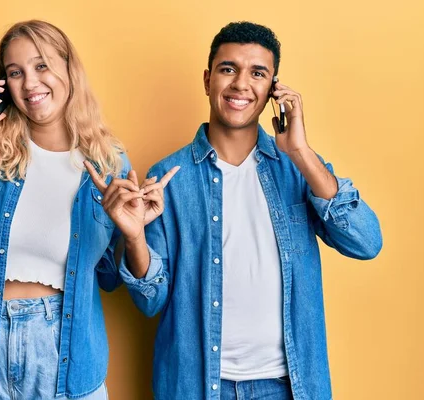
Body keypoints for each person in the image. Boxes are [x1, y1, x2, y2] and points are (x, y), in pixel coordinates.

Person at [0, 19, 176, 399]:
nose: (30, 83)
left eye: (41, 65)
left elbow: (139, 294)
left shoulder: (108, 163)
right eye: (15, 73)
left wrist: (134, 236)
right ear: (4, 85)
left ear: (69, 68)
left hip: (65, 355)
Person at [120, 21, 382, 400]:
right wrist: (133, 238)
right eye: (228, 69)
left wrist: (301, 152)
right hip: (199, 386)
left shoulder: (299, 168)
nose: (241, 84)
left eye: (257, 73)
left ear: (274, 89)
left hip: (288, 386)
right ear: (208, 79)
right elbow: (150, 301)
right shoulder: (168, 177)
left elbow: (366, 241)